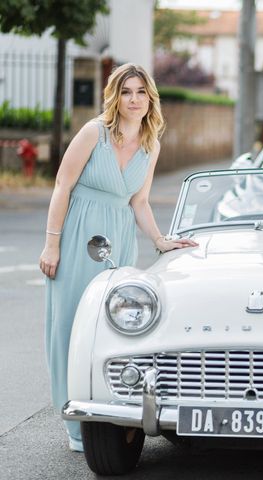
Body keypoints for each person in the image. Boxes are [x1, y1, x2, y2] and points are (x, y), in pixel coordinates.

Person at [38, 63, 197, 452]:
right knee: (70, 328)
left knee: (110, 330)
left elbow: (139, 201)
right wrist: (51, 244)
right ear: (115, 96)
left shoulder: (151, 143)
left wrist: (160, 240)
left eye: (141, 92)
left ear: (150, 98)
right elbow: (62, 185)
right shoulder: (95, 132)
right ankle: (74, 424)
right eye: (126, 92)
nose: (134, 100)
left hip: (119, 240)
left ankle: (106, 416)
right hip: (78, 236)